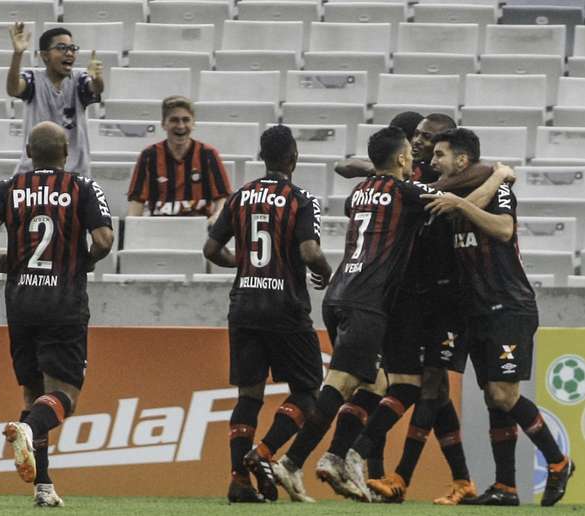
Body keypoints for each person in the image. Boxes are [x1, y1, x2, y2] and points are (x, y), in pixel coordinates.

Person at [272, 127, 510, 503]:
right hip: (367, 301)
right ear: (402, 159)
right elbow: (462, 203)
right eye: (410, 155)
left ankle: (339, 458)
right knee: (339, 386)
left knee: (376, 385)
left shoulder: (360, 192)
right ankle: (292, 461)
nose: (416, 160)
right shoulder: (408, 192)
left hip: (337, 294)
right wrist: (498, 175)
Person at [422, 128, 574, 507]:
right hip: (475, 310)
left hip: (509, 305)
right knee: (494, 399)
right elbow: (462, 203)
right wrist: (491, 178)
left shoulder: (500, 192)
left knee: (502, 393)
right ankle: (506, 487)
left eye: (440, 154)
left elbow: (504, 230)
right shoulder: (460, 192)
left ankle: (558, 461)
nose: (432, 161)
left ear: (461, 159)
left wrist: (477, 195)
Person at [0, 121, 114, 507]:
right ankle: (27, 428)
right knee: (64, 396)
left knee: (34, 391)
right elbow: (104, 240)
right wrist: (83, 260)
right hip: (62, 303)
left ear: (29, 153)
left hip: (20, 303)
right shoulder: (83, 188)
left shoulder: (6, 189)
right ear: (66, 152)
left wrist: (0, 260)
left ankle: (44, 487)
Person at [203, 125, 332, 503]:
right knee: (307, 393)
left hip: (244, 304)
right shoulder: (300, 198)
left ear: (263, 158)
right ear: (293, 158)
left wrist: (240, 263)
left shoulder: (240, 197)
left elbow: (211, 249)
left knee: (249, 396)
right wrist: (325, 273)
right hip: (285, 308)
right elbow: (309, 253)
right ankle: (262, 453)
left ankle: (239, 481)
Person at [7, 23, 103, 176]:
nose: (69, 53)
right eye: (62, 48)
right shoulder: (33, 78)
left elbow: (95, 88)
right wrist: (17, 54)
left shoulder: (79, 79)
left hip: (74, 174)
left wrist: (97, 78)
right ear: (45, 55)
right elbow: (13, 89)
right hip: (34, 172)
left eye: (72, 48)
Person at [128, 95, 232, 226]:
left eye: (186, 120)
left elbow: (223, 199)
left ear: (193, 123)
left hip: (199, 229)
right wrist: (133, 228)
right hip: (158, 229)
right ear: (163, 124)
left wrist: (217, 218)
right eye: (174, 120)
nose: (181, 125)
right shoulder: (149, 156)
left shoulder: (208, 155)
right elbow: (136, 203)